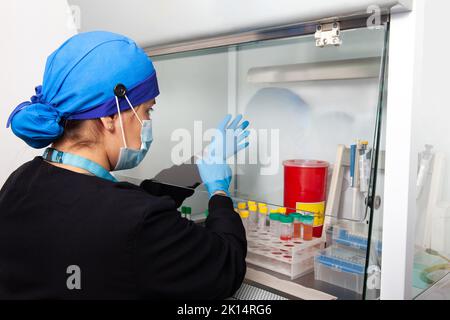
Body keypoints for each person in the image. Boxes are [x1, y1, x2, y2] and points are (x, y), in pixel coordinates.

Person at [0, 31, 250, 299]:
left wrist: (198, 164)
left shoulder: (22, 181)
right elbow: (225, 266)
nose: (148, 122)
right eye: (147, 111)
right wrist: (220, 193)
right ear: (110, 116)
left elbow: (123, 206)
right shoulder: (134, 221)